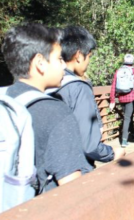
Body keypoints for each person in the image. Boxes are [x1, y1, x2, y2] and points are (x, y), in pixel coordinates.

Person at [2, 23, 92, 193]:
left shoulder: (5, 99)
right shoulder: (56, 112)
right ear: (40, 63)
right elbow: (73, 190)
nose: (64, 66)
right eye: (59, 59)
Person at [57, 26, 125, 163]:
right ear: (78, 56)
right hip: (76, 165)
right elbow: (89, 146)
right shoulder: (78, 87)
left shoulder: (51, 82)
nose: (88, 62)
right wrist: (112, 153)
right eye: (88, 57)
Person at [110, 54, 134, 147]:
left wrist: (112, 100)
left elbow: (113, 86)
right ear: (133, 62)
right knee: (127, 117)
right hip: (132, 97)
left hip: (121, 97)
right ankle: (124, 140)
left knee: (128, 115)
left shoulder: (118, 71)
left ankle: (133, 132)